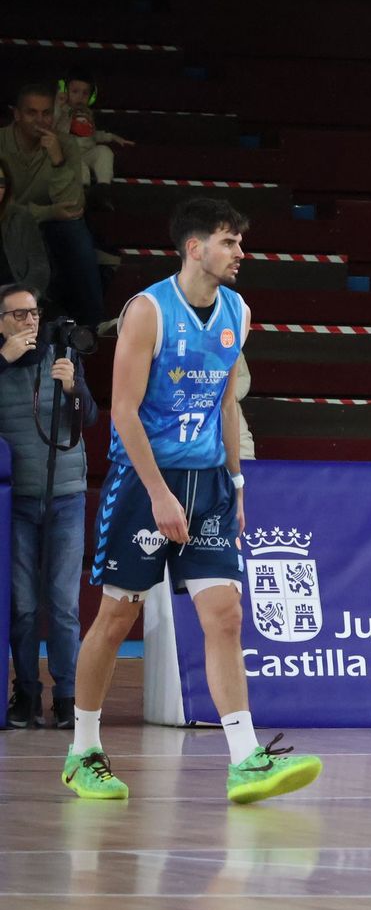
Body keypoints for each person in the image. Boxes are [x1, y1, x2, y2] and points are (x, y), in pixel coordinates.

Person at [63, 197, 322, 803]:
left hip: (207, 484)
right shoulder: (148, 311)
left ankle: (245, 758)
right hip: (142, 482)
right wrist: (157, 494)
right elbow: (122, 412)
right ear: (194, 247)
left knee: (225, 617)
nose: (240, 253)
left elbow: (226, 404)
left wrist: (234, 483)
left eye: (239, 242)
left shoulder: (238, 310)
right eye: (229, 242)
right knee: (116, 616)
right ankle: (83, 750)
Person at [0, 285, 95, 728]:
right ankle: (26, 693)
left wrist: (73, 388)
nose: (30, 322)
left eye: (34, 313)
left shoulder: (64, 356)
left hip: (65, 495)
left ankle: (68, 695)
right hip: (14, 501)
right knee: (21, 605)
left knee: (62, 603)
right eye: (18, 315)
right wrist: (2, 359)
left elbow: (90, 416)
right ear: (0, 322)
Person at [0, 81, 101, 327]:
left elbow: (73, 205)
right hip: (9, 223)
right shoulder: (1, 141)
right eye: (31, 113)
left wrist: (57, 160)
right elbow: (5, 207)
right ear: (17, 114)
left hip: (50, 224)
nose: (39, 120)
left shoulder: (65, 143)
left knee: (75, 231)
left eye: (46, 113)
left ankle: (92, 323)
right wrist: (48, 211)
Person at [54, 69, 132, 189]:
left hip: (87, 153)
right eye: (75, 92)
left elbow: (92, 134)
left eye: (85, 93)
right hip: (68, 155)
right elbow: (51, 125)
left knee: (104, 151)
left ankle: (104, 188)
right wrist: (59, 105)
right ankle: (83, 191)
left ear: (91, 96)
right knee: (80, 166)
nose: (80, 97)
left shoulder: (87, 113)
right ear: (65, 92)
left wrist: (112, 137)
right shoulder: (61, 110)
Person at [0, 156, 51, 301]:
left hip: (18, 305)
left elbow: (39, 268)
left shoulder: (21, 217)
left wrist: (22, 299)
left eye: (1, 183)